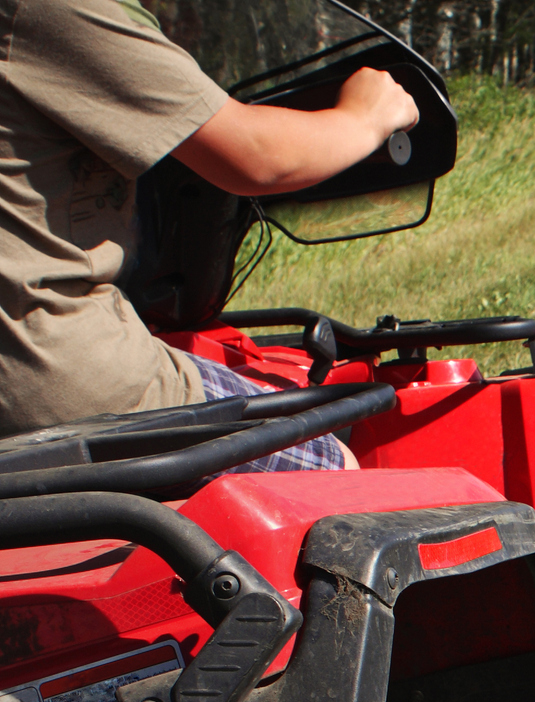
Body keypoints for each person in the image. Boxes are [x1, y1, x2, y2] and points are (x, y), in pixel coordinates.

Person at [0, 0, 418, 463]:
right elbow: (258, 155)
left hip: (27, 379)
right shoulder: (58, 8)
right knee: (336, 467)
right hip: (58, 384)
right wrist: (365, 116)